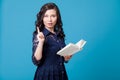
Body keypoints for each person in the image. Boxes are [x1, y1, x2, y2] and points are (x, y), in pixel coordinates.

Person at [32, 2, 72, 80]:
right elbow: (36, 60)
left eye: (53, 16)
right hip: (46, 75)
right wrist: (41, 42)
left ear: (57, 17)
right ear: (42, 18)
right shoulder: (39, 35)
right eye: (46, 16)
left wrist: (66, 58)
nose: (49, 19)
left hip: (61, 74)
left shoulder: (59, 35)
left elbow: (60, 58)